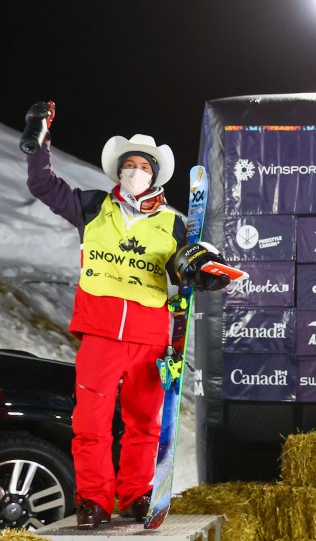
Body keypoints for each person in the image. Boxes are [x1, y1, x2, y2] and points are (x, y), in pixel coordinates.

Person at [22, 102, 229, 528]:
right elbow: (43, 185)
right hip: (99, 335)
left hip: (149, 337)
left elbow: (186, 267)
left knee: (143, 426)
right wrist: (37, 143)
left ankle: (135, 495)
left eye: (142, 166)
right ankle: (94, 500)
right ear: (119, 172)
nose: (134, 172)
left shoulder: (173, 225)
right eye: (128, 165)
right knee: (90, 424)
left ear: (154, 174)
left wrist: (205, 272)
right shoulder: (93, 207)